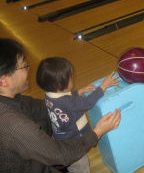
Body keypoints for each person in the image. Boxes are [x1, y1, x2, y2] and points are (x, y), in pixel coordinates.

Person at [0, 38, 121, 173]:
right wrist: (98, 132)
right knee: (81, 167)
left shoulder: (40, 97)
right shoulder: (12, 124)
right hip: (59, 153)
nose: (28, 69)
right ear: (3, 81)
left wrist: (76, 93)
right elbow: (59, 154)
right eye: (23, 65)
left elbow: (61, 104)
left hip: (57, 140)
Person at [36, 57, 120, 173]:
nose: (73, 78)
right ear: (60, 84)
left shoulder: (49, 95)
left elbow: (67, 99)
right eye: (70, 77)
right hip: (74, 145)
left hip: (60, 139)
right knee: (81, 167)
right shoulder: (66, 102)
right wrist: (103, 86)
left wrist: (78, 92)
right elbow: (86, 103)